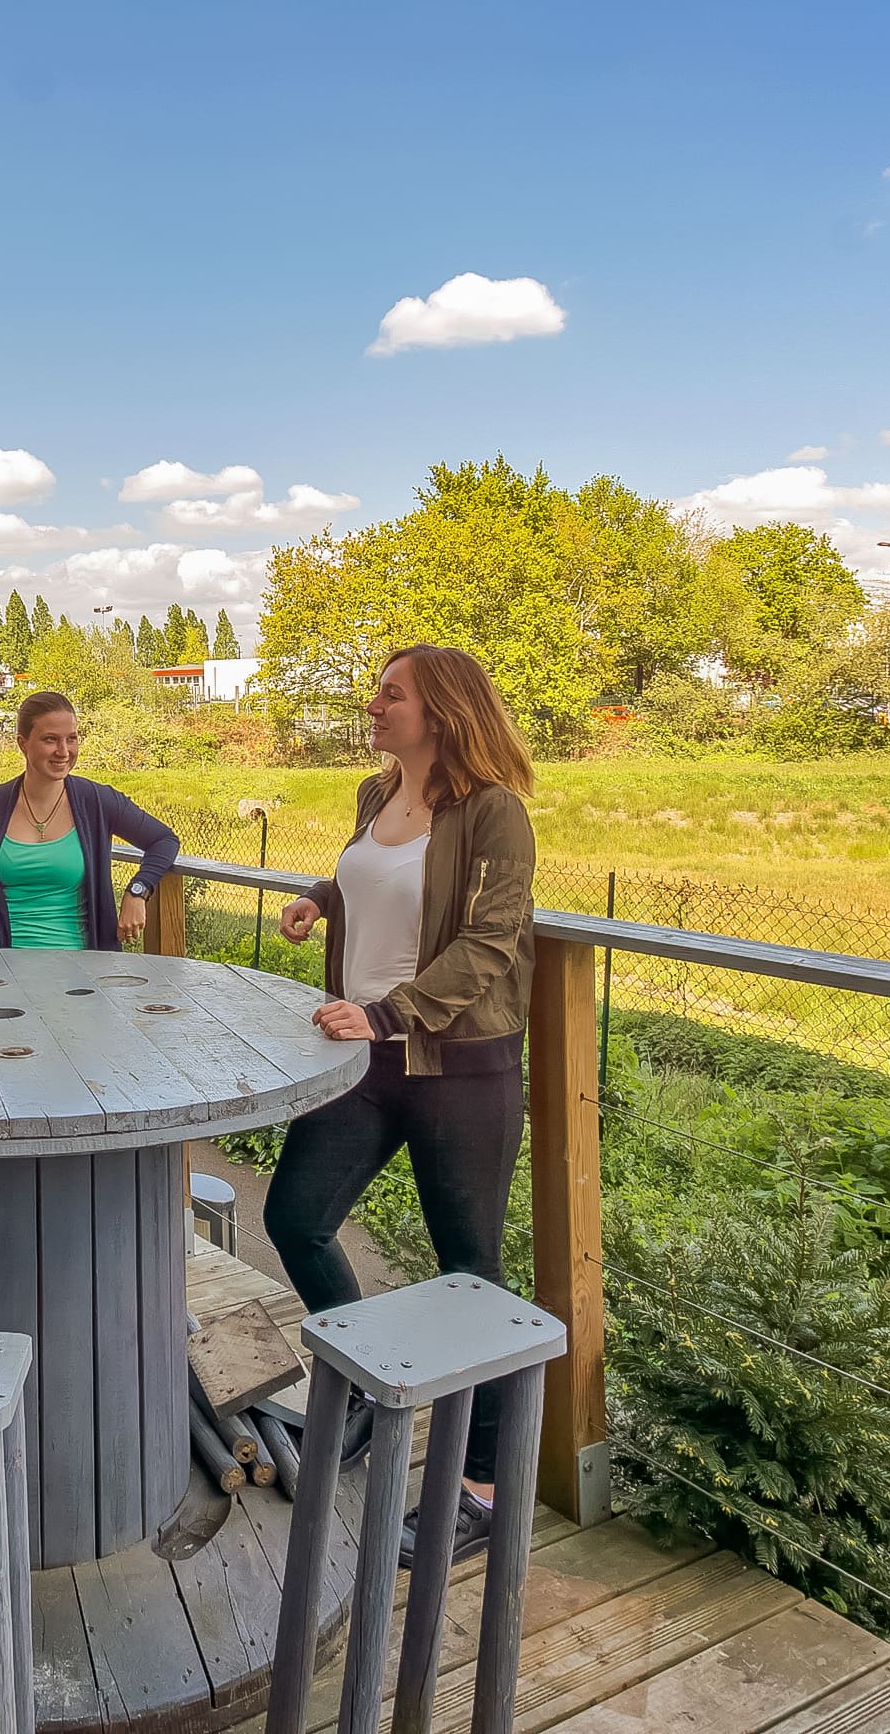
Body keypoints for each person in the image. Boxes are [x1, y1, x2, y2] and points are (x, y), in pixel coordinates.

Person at [264, 645, 539, 1572]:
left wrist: (388, 1011)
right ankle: (375, 1405)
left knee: (470, 1273)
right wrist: (316, 897)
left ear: (443, 712)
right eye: (378, 692)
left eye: (393, 695)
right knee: (295, 1218)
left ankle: (485, 1493)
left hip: (457, 1064)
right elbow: (368, 879)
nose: (374, 705)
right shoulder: (374, 795)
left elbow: (490, 940)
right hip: (367, 1058)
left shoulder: (495, 812)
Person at [0, 691, 180, 949]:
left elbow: (164, 839)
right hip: (3, 969)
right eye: (50, 739)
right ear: (23, 744)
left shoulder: (96, 800)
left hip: (82, 973)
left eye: (72, 739)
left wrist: (138, 890)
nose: (63, 751)